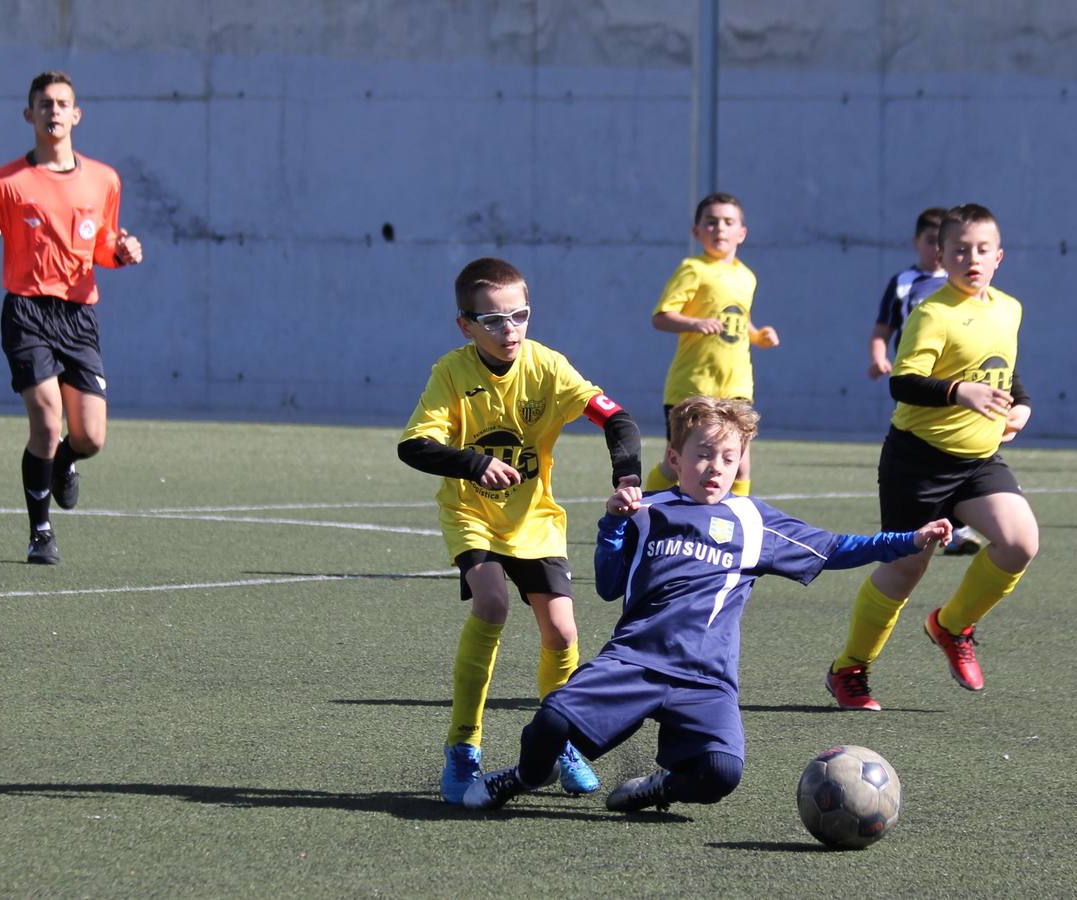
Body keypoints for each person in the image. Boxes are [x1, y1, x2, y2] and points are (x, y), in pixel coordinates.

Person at [462, 396, 951, 813]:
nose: (715, 467)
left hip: (706, 678)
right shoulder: (648, 512)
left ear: (741, 462)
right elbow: (610, 587)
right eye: (703, 454)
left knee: (721, 773)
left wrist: (911, 538)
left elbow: (838, 547)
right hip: (635, 660)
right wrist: (612, 526)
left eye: (728, 457)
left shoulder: (754, 522)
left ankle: (656, 786)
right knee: (550, 721)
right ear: (675, 458)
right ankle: (527, 778)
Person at [398, 257, 642, 804]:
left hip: (534, 519)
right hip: (473, 513)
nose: (509, 330)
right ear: (465, 325)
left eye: (520, 316)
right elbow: (413, 445)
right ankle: (463, 748)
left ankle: (560, 744)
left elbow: (618, 419)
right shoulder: (451, 373)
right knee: (492, 604)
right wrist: (472, 463)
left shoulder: (548, 366)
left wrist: (626, 477)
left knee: (562, 632)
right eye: (493, 321)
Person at [827, 203, 1039, 711]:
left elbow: (1006, 368)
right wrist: (960, 392)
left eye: (982, 250)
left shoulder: (1009, 308)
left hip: (978, 461)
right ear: (941, 256)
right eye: (960, 249)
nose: (972, 257)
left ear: (999, 257)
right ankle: (850, 669)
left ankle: (951, 625)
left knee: (1019, 543)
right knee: (905, 571)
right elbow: (904, 382)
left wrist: (1023, 406)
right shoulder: (932, 312)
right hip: (917, 462)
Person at [0, 70, 143, 564]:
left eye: (62, 103)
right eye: (45, 104)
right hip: (26, 311)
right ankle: (41, 532)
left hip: (79, 316)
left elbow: (101, 245)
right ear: (29, 115)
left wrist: (120, 252)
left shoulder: (105, 179)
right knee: (46, 417)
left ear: (76, 115)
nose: (54, 111)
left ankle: (65, 461)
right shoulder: (4, 182)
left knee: (91, 437)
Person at [644, 192, 779, 498]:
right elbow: (661, 316)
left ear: (741, 233)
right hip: (693, 385)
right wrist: (694, 323)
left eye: (728, 222)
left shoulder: (747, 277)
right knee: (676, 465)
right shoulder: (693, 269)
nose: (720, 229)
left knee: (741, 465)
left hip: (736, 386)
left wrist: (759, 336)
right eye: (711, 222)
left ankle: (735, 527)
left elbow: (738, 319)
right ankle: (643, 517)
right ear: (696, 231)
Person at [868, 207, 982, 556]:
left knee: (955, 451)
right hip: (919, 382)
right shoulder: (904, 283)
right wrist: (878, 356)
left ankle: (958, 523)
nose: (936, 249)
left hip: (958, 382)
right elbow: (883, 328)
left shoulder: (963, 285)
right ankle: (930, 527)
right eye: (931, 241)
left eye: (942, 242)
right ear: (916, 242)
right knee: (926, 452)